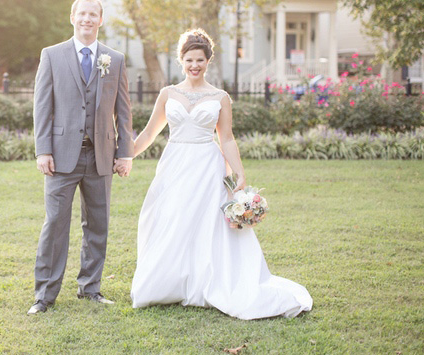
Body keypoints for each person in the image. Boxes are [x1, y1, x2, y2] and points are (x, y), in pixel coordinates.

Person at [129, 28, 312, 319]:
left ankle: (206, 281)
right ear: (181, 60)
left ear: (207, 61)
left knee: (206, 224)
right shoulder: (168, 94)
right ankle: (167, 283)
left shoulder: (220, 97)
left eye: (200, 60)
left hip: (207, 165)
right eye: (189, 60)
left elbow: (226, 138)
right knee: (170, 218)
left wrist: (239, 173)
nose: (194, 65)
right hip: (175, 164)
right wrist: (126, 155)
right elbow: (150, 132)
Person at [28, 0, 134, 315]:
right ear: (72, 17)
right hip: (61, 156)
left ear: (101, 20)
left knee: (98, 225)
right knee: (55, 224)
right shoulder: (52, 55)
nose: (87, 19)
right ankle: (44, 295)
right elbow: (42, 107)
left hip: (100, 155)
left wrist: (124, 153)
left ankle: (90, 288)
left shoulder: (114, 59)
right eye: (82, 13)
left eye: (93, 14)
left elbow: (124, 112)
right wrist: (43, 149)